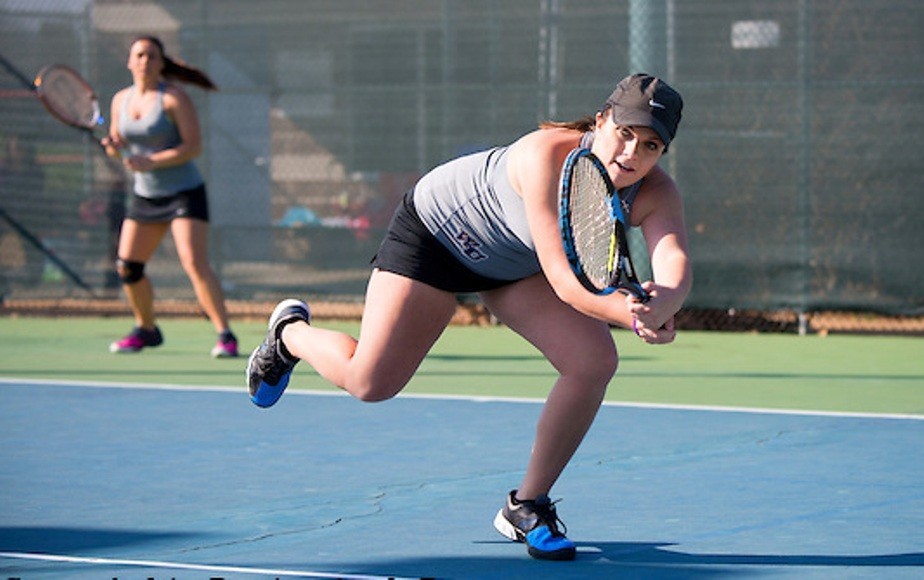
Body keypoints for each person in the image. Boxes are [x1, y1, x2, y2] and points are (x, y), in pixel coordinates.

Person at [247, 73, 691, 560]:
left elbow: (675, 267)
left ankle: (527, 505)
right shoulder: (544, 155)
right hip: (438, 238)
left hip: (515, 265)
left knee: (593, 362)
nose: (632, 153)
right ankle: (290, 334)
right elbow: (566, 284)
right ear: (601, 121)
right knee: (370, 382)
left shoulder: (654, 192)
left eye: (649, 145)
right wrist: (634, 315)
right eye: (624, 133)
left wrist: (663, 301)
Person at [101, 35, 238, 357]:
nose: (145, 60)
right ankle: (146, 329)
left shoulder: (174, 99)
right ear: (130, 61)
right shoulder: (120, 100)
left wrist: (151, 160)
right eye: (139, 55)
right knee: (127, 267)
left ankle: (225, 335)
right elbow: (119, 143)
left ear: (161, 63)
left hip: (184, 194)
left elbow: (193, 147)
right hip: (146, 196)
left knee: (194, 263)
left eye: (152, 56)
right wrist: (113, 148)